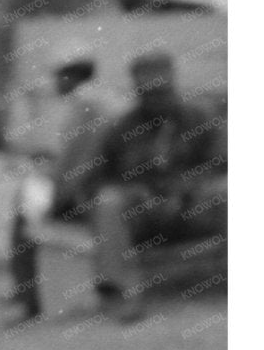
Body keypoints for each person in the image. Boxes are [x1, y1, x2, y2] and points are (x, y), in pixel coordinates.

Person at [86, 50, 226, 324]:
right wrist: (132, 190)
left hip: (194, 207)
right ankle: (122, 292)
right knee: (108, 202)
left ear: (173, 85)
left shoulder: (200, 118)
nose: (156, 100)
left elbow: (224, 163)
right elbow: (96, 179)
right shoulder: (121, 128)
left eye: (162, 91)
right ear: (138, 91)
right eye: (148, 93)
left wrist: (191, 185)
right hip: (145, 215)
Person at [4, 40, 121, 323]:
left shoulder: (86, 106)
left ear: (69, 76)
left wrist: (56, 200)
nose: (52, 83)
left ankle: (28, 300)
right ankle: (25, 294)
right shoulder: (100, 100)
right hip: (101, 188)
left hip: (89, 196)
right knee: (28, 198)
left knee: (25, 215)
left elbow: (77, 164)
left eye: (55, 76)